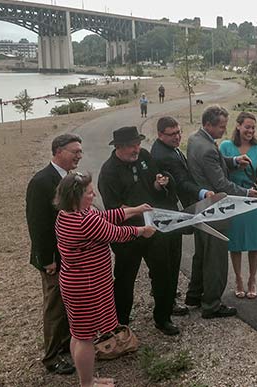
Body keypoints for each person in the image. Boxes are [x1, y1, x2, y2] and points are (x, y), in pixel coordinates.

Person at [54, 171, 155, 387]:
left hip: (76, 282)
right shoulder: (84, 221)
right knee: (85, 337)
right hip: (86, 286)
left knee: (78, 333)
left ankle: (87, 379)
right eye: (89, 193)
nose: (94, 196)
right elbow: (115, 232)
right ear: (76, 196)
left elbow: (106, 217)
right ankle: (87, 383)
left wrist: (135, 210)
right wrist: (141, 230)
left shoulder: (67, 214)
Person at [98, 126, 180, 336]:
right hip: (127, 234)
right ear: (119, 147)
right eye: (131, 146)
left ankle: (163, 318)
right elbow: (114, 210)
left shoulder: (144, 156)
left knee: (163, 273)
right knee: (125, 279)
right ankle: (121, 324)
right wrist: (137, 214)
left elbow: (154, 183)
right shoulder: (108, 172)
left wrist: (159, 183)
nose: (137, 149)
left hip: (152, 229)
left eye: (137, 144)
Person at [185, 105, 257, 318]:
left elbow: (215, 164)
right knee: (215, 259)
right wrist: (247, 193)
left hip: (201, 209)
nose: (223, 130)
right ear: (208, 124)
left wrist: (234, 161)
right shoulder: (208, 148)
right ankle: (212, 304)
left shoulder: (195, 139)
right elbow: (222, 184)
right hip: (214, 210)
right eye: (220, 126)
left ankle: (194, 295)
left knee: (201, 255)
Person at [25, 133, 82, 375]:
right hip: (53, 259)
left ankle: (65, 344)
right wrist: (47, 259)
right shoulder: (41, 182)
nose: (79, 155)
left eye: (80, 151)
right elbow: (37, 225)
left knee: (68, 303)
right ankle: (51, 357)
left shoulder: (69, 178)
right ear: (58, 151)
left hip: (69, 254)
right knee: (55, 307)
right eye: (74, 151)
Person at [150, 116, 215, 316]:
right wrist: (203, 193)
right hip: (169, 213)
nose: (178, 137)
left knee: (170, 258)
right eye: (172, 134)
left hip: (169, 211)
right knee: (170, 259)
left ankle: (167, 294)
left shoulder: (169, 149)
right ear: (160, 135)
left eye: (179, 132)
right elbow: (181, 182)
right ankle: (167, 302)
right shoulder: (164, 155)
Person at [220, 112, 257, 299]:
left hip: (254, 197)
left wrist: (254, 187)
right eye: (247, 126)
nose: (250, 131)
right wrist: (235, 167)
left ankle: (252, 279)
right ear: (238, 126)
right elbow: (222, 173)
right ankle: (239, 279)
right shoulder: (226, 146)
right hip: (234, 197)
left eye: (253, 128)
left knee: (255, 242)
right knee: (236, 241)